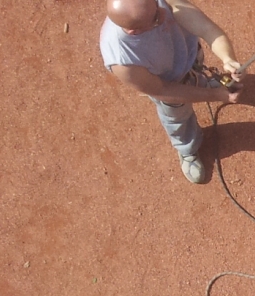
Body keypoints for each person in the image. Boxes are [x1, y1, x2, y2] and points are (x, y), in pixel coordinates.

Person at [100, 0, 244, 184]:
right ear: (134, 32)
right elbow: (162, 90)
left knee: (198, 77)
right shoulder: (122, 60)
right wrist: (218, 96)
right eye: (155, 18)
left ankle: (201, 83)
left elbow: (206, 28)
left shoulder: (158, 4)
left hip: (190, 56)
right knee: (178, 118)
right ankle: (187, 149)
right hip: (171, 84)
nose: (163, 11)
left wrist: (228, 58)